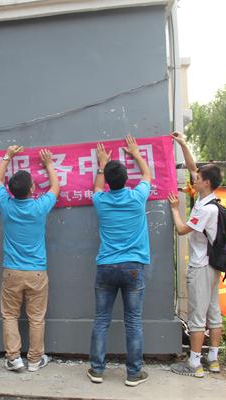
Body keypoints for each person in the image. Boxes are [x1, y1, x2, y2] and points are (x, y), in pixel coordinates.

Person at [87, 135, 152, 387]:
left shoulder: (100, 201)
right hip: (133, 267)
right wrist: (135, 153)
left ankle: (96, 370)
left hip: (106, 266)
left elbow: (96, 188)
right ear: (126, 179)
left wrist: (101, 165)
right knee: (133, 321)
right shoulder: (137, 197)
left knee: (101, 320)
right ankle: (133, 373)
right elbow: (147, 175)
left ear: (108, 181)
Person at [0, 145, 60, 373]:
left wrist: (7, 156)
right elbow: (55, 187)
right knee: (36, 318)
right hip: (37, 272)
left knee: (10, 315)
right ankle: (35, 360)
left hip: (11, 271)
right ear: (32, 188)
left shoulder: (6, 205)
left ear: (11, 191)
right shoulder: (39, 207)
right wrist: (49, 164)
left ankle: (14, 359)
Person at [168, 131, 223, 378]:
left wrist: (175, 209)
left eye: (198, 178)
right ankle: (213, 360)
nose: (194, 179)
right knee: (214, 312)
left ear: (206, 183)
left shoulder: (205, 210)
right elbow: (192, 166)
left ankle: (194, 364)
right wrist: (182, 143)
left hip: (201, 266)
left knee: (198, 317)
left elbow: (182, 230)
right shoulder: (210, 200)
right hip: (213, 266)